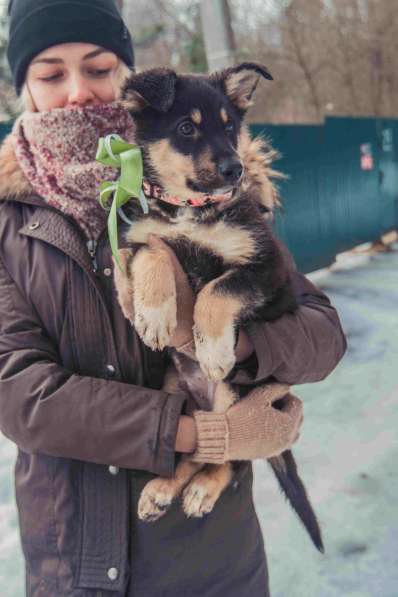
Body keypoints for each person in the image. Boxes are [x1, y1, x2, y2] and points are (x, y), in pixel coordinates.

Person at [0, 1, 346, 596]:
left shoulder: (216, 189)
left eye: (100, 67)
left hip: (215, 562)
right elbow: (17, 391)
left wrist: (238, 343)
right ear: (24, 88)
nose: (79, 91)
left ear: (131, 82)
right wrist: (207, 437)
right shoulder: (8, 221)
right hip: (72, 563)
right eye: (52, 73)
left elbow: (320, 333)